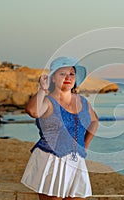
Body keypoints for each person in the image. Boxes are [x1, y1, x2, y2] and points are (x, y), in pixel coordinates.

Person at [21, 57, 99, 200]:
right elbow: (33, 111)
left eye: (72, 74)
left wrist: (85, 145)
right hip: (50, 160)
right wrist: (42, 90)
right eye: (62, 74)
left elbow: (94, 121)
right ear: (53, 79)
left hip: (76, 161)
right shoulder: (48, 101)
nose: (68, 77)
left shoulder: (82, 101)